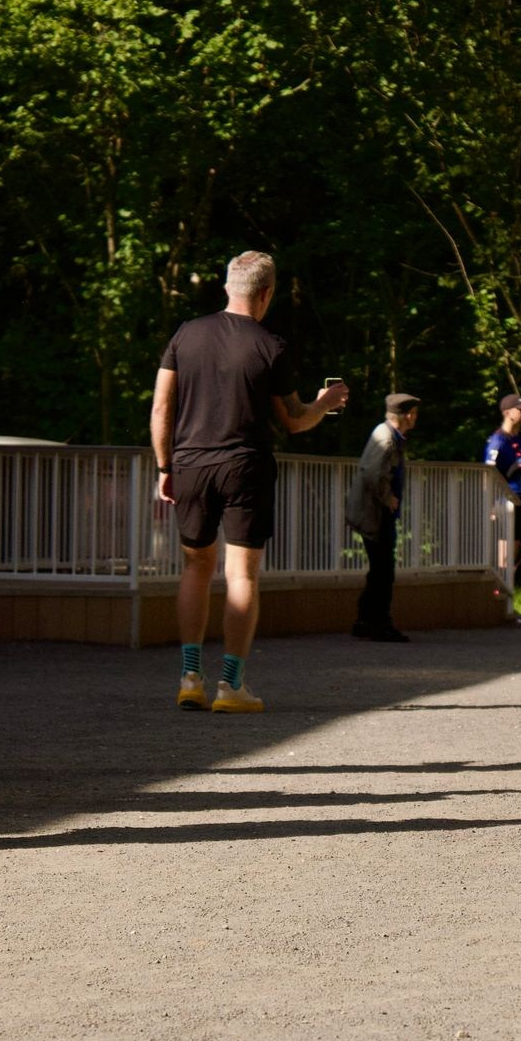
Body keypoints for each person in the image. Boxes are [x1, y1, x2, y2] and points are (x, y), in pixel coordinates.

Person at [152, 251, 347, 713]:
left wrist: (166, 467)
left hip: (191, 464)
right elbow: (294, 421)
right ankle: (230, 687)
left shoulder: (186, 334)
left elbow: (162, 407)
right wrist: (325, 402)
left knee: (195, 566)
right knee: (241, 574)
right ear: (266, 293)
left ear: (227, 287)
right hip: (245, 466)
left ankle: (190, 677)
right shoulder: (270, 346)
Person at [347, 394, 420, 642]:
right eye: (415, 413)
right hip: (375, 513)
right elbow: (372, 473)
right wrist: (387, 497)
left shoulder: (387, 434)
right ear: (407, 415)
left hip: (377, 513)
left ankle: (366, 621)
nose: (416, 418)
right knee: (383, 571)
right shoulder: (386, 438)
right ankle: (379, 623)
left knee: (379, 569)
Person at [484, 394, 521, 624]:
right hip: (505, 505)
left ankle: (508, 592)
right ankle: (503, 608)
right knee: (505, 559)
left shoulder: (520, 439)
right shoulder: (497, 442)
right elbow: (488, 476)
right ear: (508, 412)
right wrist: (491, 506)